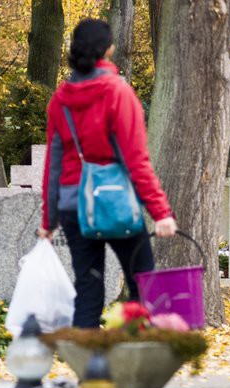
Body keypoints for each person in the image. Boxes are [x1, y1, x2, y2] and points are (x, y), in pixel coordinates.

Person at [38, 19, 177, 328]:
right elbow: (135, 159)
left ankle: (89, 372)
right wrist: (160, 211)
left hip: (74, 207)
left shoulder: (60, 100)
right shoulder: (118, 92)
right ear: (109, 48)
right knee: (142, 283)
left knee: (88, 289)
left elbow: (54, 164)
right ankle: (135, 363)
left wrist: (49, 221)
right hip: (115, 203)